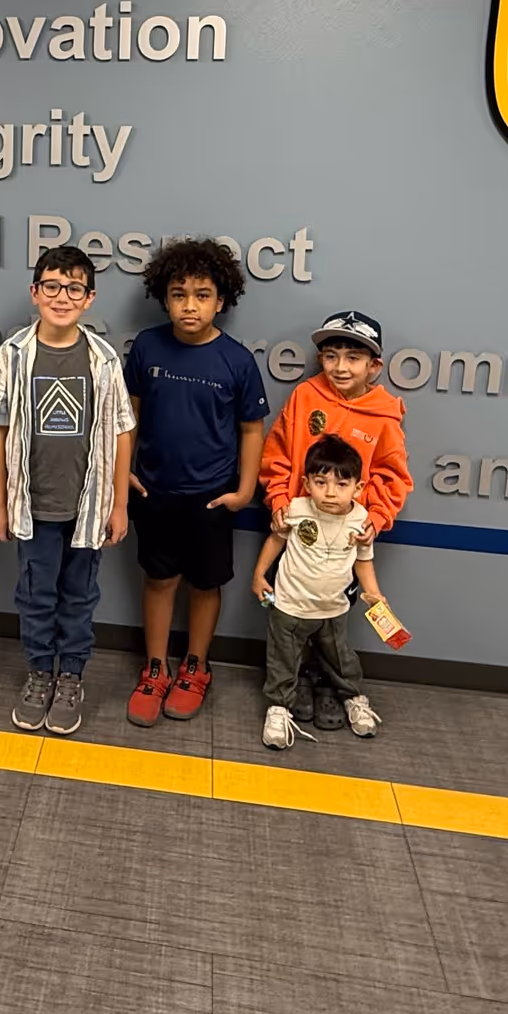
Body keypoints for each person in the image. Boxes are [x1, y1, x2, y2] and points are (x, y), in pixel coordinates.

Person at [0, 245, 135, 736]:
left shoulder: (105, 359)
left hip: (87, 507)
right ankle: (40, 672)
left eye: (73, 289)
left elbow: (121, 431)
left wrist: (119, 504)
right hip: (32, 506)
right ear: (35, 292)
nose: (61, 297)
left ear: (89, 299)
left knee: (79, 595)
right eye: (52, 286)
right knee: (36, 594)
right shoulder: (13, 354)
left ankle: (71, 675)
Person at [123, 237, 268, 727]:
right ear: (164, 298)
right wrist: (124, 470)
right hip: (155, 491)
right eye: (179, 293)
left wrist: (246, 489)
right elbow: (130, 416)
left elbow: (252, 428)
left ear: (221, 300)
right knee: (160, 578)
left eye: (202, 294)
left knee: (205, 584)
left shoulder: (237, 360)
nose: (190, 305)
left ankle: (196, 666)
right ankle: (156, 666)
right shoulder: (147, 347)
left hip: (213, 496)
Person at [258, 309, 413, 732]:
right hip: (298, 533)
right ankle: (297, 686)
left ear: (373, 366)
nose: (340, 367)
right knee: (292, 618)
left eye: (353, 357)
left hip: (344, 540)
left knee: (332, 623)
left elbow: (393, 476)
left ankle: (332, 687)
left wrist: (375, 518)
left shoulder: (384, 414)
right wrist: (277, 501)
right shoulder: (305, 397)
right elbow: (277, 454)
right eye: (331, 356)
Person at [252, 436, 384, 749]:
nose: (329, 492)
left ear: (358, 487)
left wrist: (374, 593)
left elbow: (364, 562)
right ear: (306, 483)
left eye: (341, 484)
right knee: (282, 661)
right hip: (289, 606)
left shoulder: (361, 521)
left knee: (342, 659)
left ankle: (354, 699)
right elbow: (275, 541)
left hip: (334, 609)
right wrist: (258, 575)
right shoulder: (295, 509)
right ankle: (278, 708)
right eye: (320, 482)